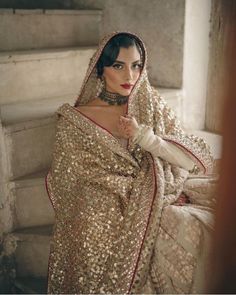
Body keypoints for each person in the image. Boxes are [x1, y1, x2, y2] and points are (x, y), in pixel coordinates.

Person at [45, 31, 217, 294]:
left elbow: (188, 161)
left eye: (136, 65)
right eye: (118, 66)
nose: (130, 76)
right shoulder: (76, 122)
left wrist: (143, 137)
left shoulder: (150, 104)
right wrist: (143, 195)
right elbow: (77, 182)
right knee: (190, 231)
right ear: (100, 69)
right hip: (122, 207)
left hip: (166, 189)